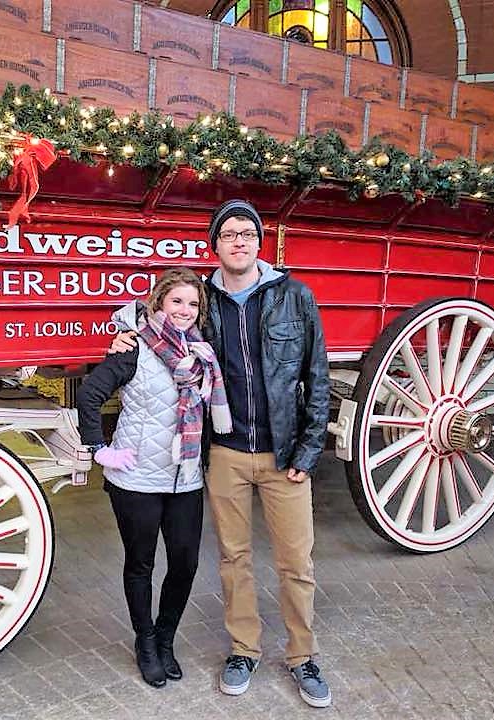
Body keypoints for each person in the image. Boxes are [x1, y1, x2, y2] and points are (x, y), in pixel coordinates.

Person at [110, 199, 332, 708]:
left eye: (247, 233)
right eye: (228, 234)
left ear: (259, 242)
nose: (239, 241)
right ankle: (244, 650)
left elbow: (316, 376)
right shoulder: (203, 299)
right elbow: (154, 314)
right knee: (234, 559)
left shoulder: (294, 296)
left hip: (284, 455)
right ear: (215, 245)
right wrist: (121, 333)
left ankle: (303, 656)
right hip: (226, 452)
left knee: (296, 562)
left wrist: (309, 449)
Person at [76, 267, 232, 688]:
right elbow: (89, 395)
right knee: (140, 563)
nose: (184, 310)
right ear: (159, 301)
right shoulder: (133, 346)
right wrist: (100, 449)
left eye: (193, 303)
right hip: (137, 480)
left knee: (185, 562)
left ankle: (165, 638)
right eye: (176, 300)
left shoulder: (202, 352)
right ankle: (145, 642)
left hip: (184, 477)